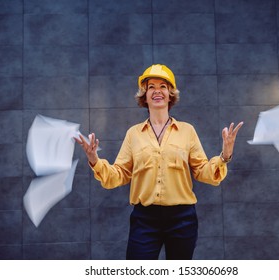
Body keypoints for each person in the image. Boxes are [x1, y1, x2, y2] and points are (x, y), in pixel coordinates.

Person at [75, 64, 243, 260]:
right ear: (144, 95)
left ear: (171, 94)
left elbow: (203, 172)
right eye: (151, 87)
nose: (157, 91)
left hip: (182, 219)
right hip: (144, 220)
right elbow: (118, 175)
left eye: (163, 86)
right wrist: (94, 159)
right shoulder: (133, 134)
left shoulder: (187, 131)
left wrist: (224, 155)